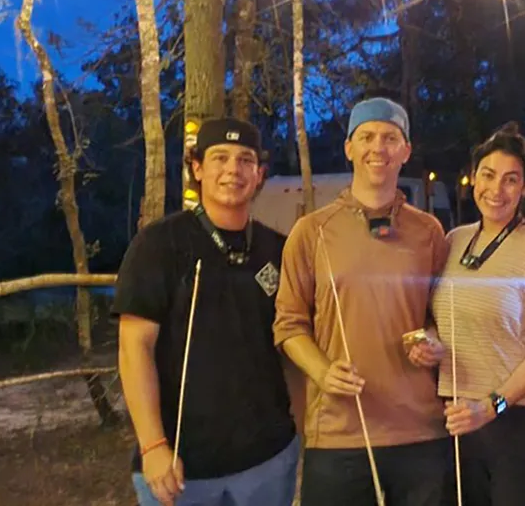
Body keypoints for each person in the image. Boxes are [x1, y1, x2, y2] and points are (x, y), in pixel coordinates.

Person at [273, 96, 453, 506]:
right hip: (340, 432)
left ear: (405, 151)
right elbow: (288, 323)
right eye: (367, 136)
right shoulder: (312, 231)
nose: (379, 147)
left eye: (390, 138)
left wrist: (432, 339)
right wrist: (322, 371)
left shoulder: (428, 232)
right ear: (348, 147)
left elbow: (441, 316)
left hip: (419, 431)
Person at [112, 117, 300, 506]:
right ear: (197, 168)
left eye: (245, 160)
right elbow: (134, 349)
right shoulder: (158, 245)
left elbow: (292, 344)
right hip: (182, 465)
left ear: (260, 174)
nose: (233, 169)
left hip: (267, 459)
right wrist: (152, 446)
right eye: (220, 158)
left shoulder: (279, 250)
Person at [410, 122, 525, 506]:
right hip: (459, 415)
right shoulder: (454, 240)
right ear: (473, 176)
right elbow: (438, 317)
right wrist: (426, 341)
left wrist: (493, 405)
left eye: (511, 180)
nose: (496, 190)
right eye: (488, 175)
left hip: (519, 419)